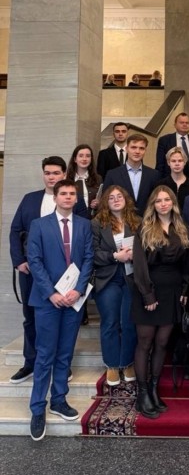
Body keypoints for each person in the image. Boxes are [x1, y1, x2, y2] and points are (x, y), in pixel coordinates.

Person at [9, 156, 88, 386]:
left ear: (64, 174)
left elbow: (84, 233)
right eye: (47, 173)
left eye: (56, 173)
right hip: (31, 269)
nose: (51, 177)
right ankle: (31, 362)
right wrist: (19, 261)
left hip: (66, 272)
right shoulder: (29, 199)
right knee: (31, 316)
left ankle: (62, 364)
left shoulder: (74, 199)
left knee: (65, 318)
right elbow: (15, 230)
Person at [27, 179, 93, 441]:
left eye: (72, 194)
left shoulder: (85, 225)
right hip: (48, 301)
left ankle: (58, 400)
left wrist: (78, 289)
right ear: (55, 197)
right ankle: (37, 409)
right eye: (63, 193)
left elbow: (88, 258)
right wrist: (51, 293)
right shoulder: (39, 225)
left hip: (73, 299)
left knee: (65, 354)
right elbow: (34, 261)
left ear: (76, 198)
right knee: (45, 355)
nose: (67, 197)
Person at [131, 186, 189, 418]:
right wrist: (148, 295)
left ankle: (154, 390)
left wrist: (185, 288)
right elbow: (139, 265)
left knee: (162, 342)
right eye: (158, 201)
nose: (163, 204)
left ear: (173, 203)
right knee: (145, 343)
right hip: (149, 291)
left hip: (172, 292)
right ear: (153, 205)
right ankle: (142, 394)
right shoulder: (145, 228)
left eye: (167, 200)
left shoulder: (182, 228)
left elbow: (187, 263)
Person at [92, 185, 141, 387]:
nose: (115, 199)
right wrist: (114, 256)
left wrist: (136, 255)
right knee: (110, 322)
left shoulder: (137, 222)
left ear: (126, 199)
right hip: (108, 278)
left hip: (131, 278)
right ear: (106, 202)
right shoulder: (97, 223)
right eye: (111, 197)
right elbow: (92, 253)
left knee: (129, 322)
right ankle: (112, 364)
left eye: (119, 196)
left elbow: (146, 248)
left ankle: (127, 362)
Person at [104, 133, 160, 217]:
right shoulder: (112, 174)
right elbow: (105, 202)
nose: (137, 151)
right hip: (120, 221)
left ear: (145, 151)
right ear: (126, 149)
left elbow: (156, 201)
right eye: (133, 147)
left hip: (147, 221)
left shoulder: (154, 175)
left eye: (141, 148)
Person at [156, 112, 189, 177]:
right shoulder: (164, 140)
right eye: (181, 122)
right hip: (170, 178)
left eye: (187, 123)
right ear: (175, 125)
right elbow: (160, 164)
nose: (185, 125)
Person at [66, 144, 102, 217]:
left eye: (88, 156)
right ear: (75, 159)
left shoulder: (98, 178)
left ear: (91, 159)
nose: (84, 159)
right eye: (81, 156)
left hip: (93, 220)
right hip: (72, 219)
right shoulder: (67, 179)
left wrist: (98, 203)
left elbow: (104, 200)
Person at [159, 147, 189, 212]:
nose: (177, 164)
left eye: (180, 161)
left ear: (185, 162)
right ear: (168, 163)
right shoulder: (161, 185)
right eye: (173, 161)